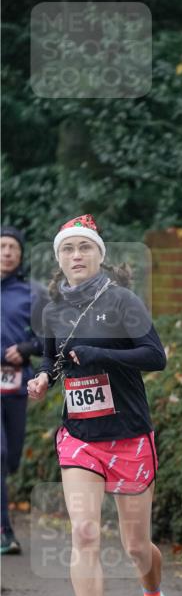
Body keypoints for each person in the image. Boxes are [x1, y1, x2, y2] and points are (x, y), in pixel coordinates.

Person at [27, 215, 172, 596]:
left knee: (135, 546)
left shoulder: (123, 301)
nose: (76, 257)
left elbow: (156, 356)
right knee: (85, 532)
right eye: (68, 250)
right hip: (80, 437)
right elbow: (55, 359)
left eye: (84, 249)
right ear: (59, 259)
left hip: (129, 435)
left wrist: (102, 354)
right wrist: (42, 381)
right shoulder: (53, 311)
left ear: (99, 255)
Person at [1, 225, 48, 554]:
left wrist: (27, 348)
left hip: (16, 387)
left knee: (12, 458)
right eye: (1, 246)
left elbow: (49, 337)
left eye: (12, 247)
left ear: (20, 254)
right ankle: (5, 531)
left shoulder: (32, 292)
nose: (6, 252)